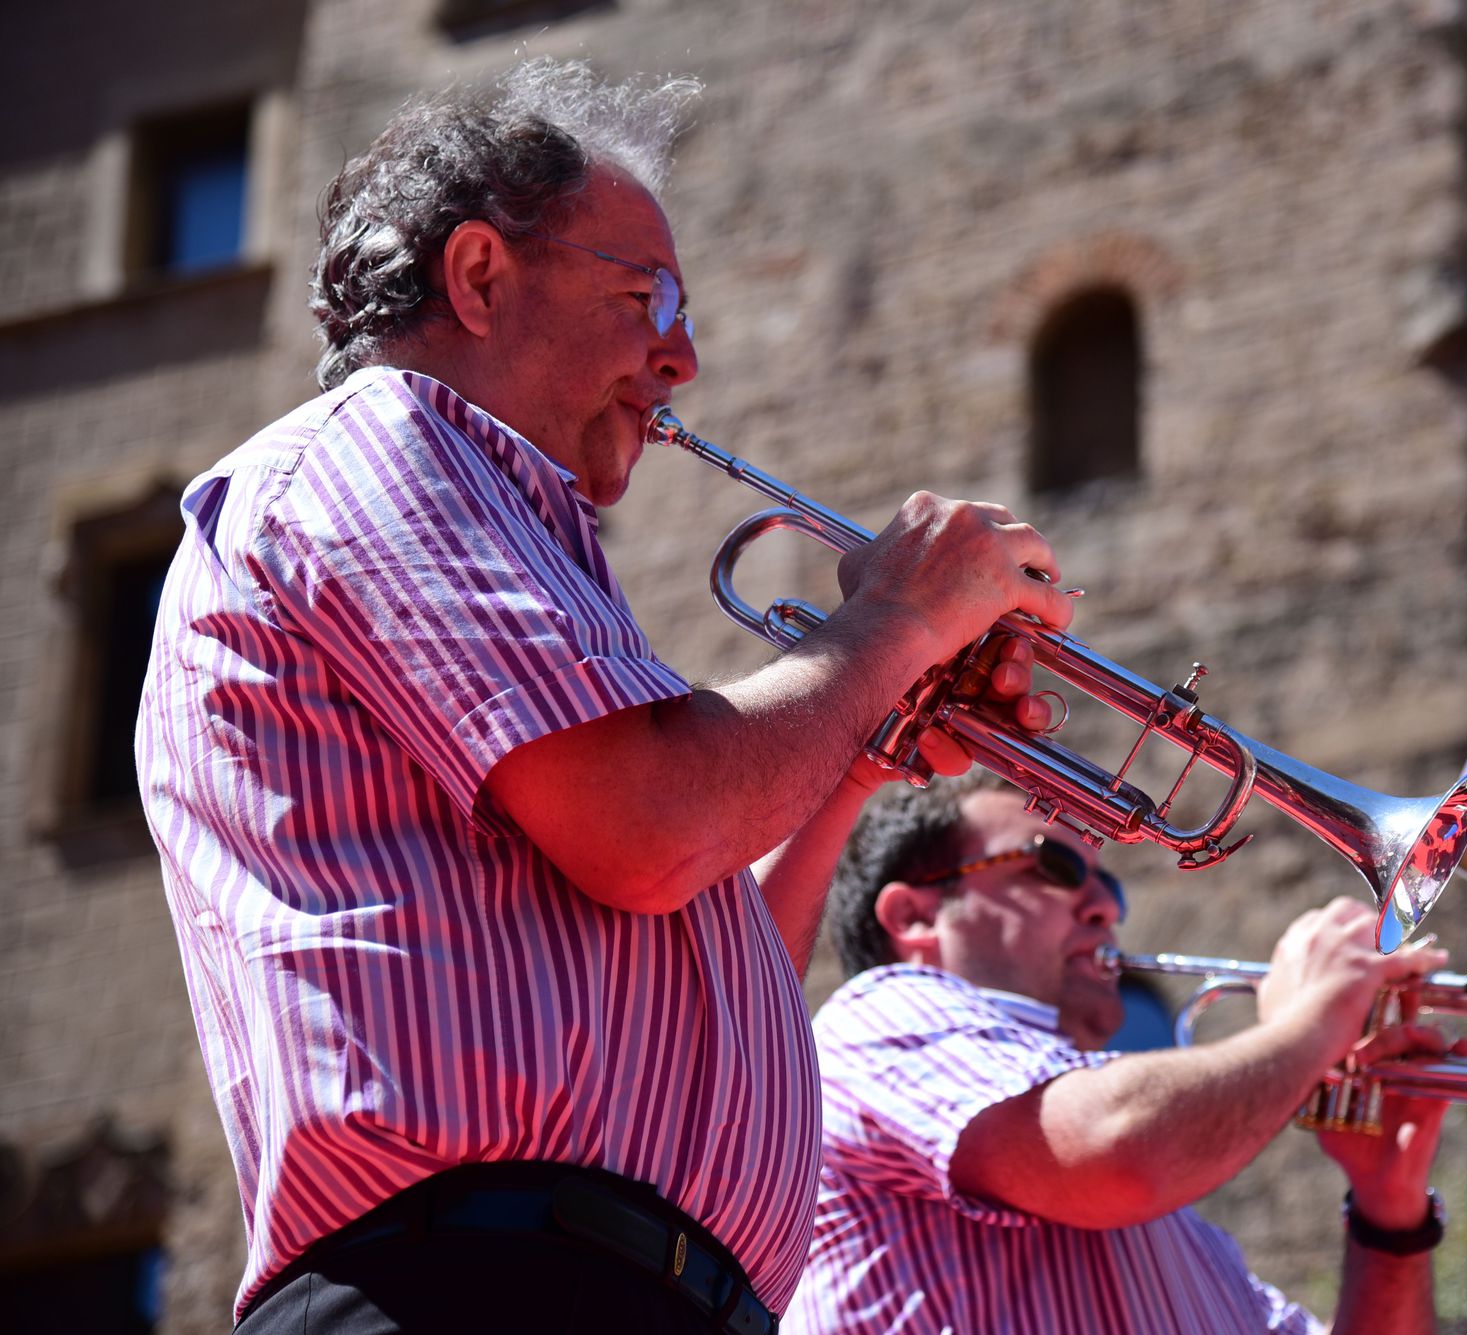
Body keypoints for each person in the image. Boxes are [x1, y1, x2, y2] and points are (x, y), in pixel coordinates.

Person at [135, 59, 1071, 1333]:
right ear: (478, 278)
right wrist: (893, 621)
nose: (680, 357)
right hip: (482, 1284)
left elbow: (677, 921)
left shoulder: (494, 525)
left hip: (598, 1282)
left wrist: (859, 733)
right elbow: (651, 830)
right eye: (649, 296)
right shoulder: (380, 445)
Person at [792, 775, 1464, 1335]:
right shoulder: (879, 1016)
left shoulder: (1179, 1239)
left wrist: (1388, 1209)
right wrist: (1311, 1021)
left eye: (1110, 890)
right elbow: (1112, 1146)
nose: (1104, 910)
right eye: (1054, 865)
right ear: (915, 917)